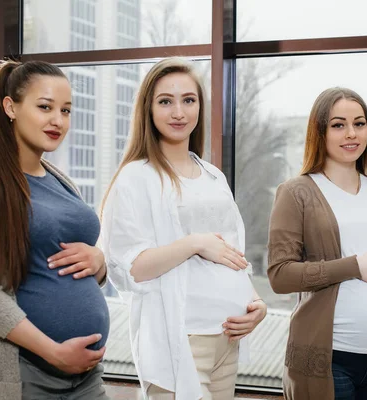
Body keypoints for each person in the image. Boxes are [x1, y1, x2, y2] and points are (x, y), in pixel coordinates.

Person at [99, 57, 267, 400]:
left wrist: (257, 303)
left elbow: (231, 254)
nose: (179, 112)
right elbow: (130, 268)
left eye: (188, 100)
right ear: (149, 109)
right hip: (179, 344)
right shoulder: (136, 178)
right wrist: (194, 243)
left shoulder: (213, 176)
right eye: (166, 101)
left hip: (226, 342)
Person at [0, 60, 110, 400]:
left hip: (87, 376)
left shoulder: (61, 182)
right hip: (24, 375)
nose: (58, 121)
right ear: (11, 107)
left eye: (66, 110)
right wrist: (53, 351)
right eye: (45, 107)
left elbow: (62, 256)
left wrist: (99, 261)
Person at [267, 87, 367, 400]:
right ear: (320, 132)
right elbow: (279, 275)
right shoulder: (296, 192)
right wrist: (355, 266)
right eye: (339, 125)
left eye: (360, 123)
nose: (351, 133)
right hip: (329, 361)